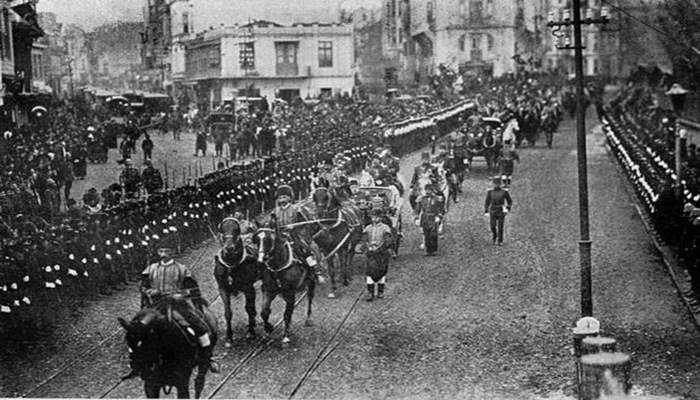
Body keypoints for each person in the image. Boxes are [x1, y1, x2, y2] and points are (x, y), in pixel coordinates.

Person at [141, 236, 219, 373]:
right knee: (139, 329)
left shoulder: (182, 269)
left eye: (167, 251)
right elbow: (143, 287)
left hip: (177, 306)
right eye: (161, 251)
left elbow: (193, 289)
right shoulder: (151, 269)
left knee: (199, 326)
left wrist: (180, 294)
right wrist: (151, 292)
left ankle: (207, 358)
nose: (164, 254)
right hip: (156, 306)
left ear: (172, 252)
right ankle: (141, 359)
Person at [272, 185, 325, 283]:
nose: (282, 200)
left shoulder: (296, 209)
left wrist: (293, 227)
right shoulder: (275, 211)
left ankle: (316, 272)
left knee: (304, 250)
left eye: (284, 197)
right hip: (280, 237)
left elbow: (305, 223)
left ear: (289, 198)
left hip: (295, 235)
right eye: (280, 198)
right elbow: (272, 224)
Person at [362, 209, 392, 301]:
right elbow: (364, 239)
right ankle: (370, 292)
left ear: (381, 218)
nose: (374, 219)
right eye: (373, 217)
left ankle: (380, 291)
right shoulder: (368, 228)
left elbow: (387, 241)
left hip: (381, 254)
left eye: (376, 217)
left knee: (381, 271)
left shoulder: (385, 228)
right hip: (370, 254)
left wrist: (379, 248)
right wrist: (368, 247)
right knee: (369, 272)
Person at [414, 183, 445, 256]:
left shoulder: (437, 199)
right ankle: (427, 250)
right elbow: (417, 209)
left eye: (430, 190)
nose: (428, 192)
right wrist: (416, 217)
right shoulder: (422, 199)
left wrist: (439, 216)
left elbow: (441, 209)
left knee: (433, 234)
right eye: (427, 190)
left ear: (432, 190)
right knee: (426, 234)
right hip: (425, 217)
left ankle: (434, 249)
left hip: (433, 217)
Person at [484, 177, 513, 245]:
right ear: (493, 184)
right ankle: (494, 236)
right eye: (495, 184)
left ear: (500, 184)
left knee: (500, 226)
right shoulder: (490, 192)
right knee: (492, 226)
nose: (496, 185)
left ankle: (500, 240)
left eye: (498, 184)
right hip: (493, 210)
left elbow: (510, 201)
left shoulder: (504, 192)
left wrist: (507, 208)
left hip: (500, 210)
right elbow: (487, 202)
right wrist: (486, 210)